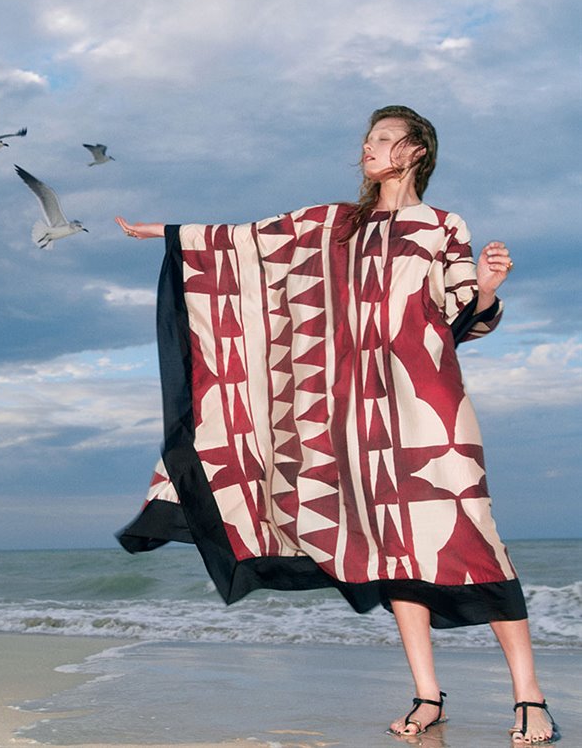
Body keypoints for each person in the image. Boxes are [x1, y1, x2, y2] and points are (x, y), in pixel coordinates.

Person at [114, 106, 559, 745]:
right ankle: (427, 696)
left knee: (470, 532)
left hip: (426, 401)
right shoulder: (337, 225)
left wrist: (487, 287)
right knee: (392, 545)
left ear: (416, 151)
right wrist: (167, 233)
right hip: (353, 410)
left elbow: (465, 316)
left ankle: (529, 696)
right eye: (368, 139)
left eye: (383, 139)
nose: (368, 149)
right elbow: (250, 241)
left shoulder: (443, 225)